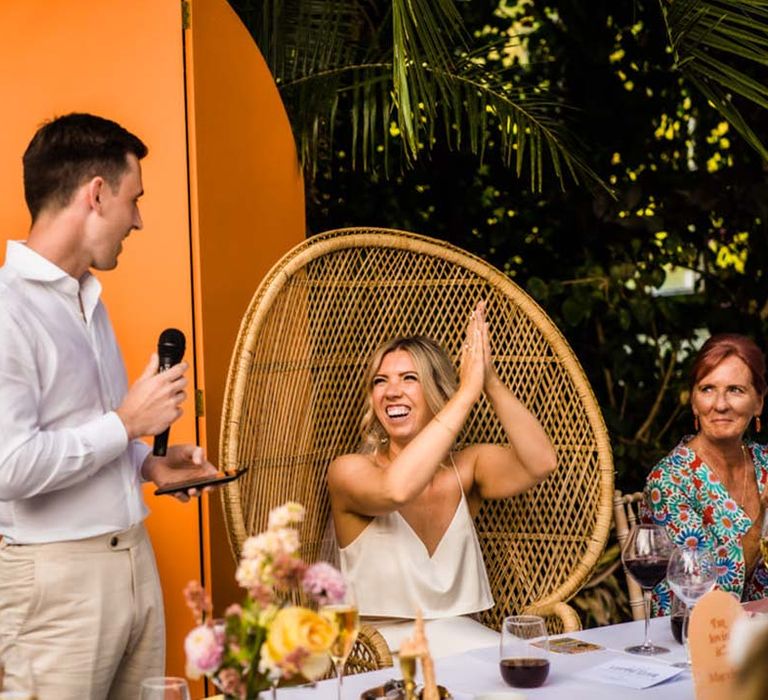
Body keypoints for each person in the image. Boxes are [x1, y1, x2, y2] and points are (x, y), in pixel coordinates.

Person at [0, 113, 218, 700]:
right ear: (97, 194)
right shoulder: (6, 312)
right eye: (134, 198)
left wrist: (146, 463)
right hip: (55, 583)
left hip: (133, 563)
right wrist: (125, 423)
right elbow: (8, 467)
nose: (139, 220)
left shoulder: (89, 301)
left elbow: (83, 435)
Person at [327, 301, 558, 657]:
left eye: (409, 379)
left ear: (437, 392)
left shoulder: (468, 468)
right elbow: (397, 490)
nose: (391, 392)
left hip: (464, 647)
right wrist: (467, 393)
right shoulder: (349, 470)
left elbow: (540, 462)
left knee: (540, 670)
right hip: (375, 658)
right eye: (380, 381)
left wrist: (489, 381)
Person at [643, 334, 768, 615]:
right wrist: (762, 516)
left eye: (735, 390)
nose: (720, 404)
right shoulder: (670, 481)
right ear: (693, 402)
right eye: (707, 389)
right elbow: (702, 598)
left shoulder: (764, 463)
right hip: (698, 641)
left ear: (758, 402)